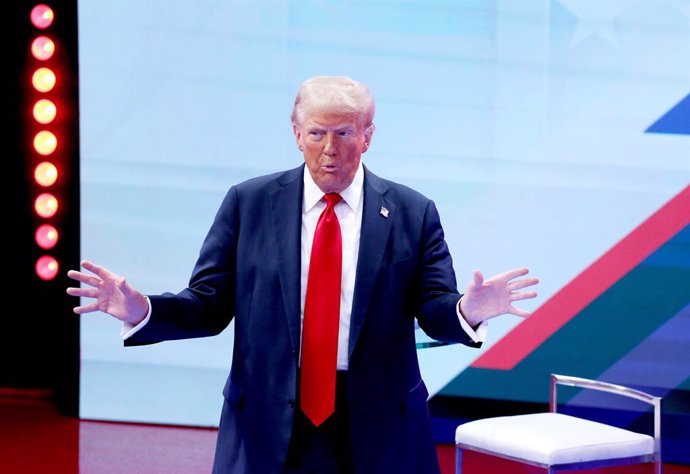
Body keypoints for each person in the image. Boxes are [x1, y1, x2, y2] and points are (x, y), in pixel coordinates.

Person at [66, 75, 539, 474]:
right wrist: (141, 308)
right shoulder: (249, 204)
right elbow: (208, 304)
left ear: (368, 135)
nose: (330, 149)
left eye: (344, 134)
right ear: (296, 133)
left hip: (377, 422)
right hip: (270, 419)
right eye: (317, 134)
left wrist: (469, 311)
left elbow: (435, 309)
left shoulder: (412, 213)